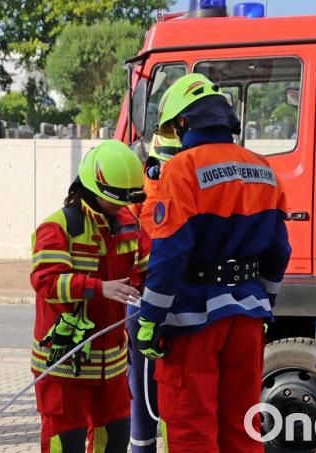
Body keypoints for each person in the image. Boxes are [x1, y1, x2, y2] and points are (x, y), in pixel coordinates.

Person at [134, 73, 291, 452]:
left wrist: (150, 319)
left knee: (192, 428)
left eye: (175, 127)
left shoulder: (182, 169)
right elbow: (279, 251)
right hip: (248, 319)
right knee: (242, 428)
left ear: (185, 122)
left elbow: (170, 254)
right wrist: (263, 303)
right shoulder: (264, 169)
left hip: (193, 320)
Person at [30, 140, 151, 453]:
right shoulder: (58, 227)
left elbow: (146, 271)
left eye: (126, 199)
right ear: (89, 186)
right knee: (64, 445)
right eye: (114, 199)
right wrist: (99, 288)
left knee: (114, 441)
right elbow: (46, 282)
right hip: (65, 364)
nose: (120, 207)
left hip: (111, 368)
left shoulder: (129, 224)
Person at [125, 132, 182, 453]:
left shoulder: (150, 196)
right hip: (146, 305)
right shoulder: (144, 199)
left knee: (152, 398)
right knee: (147, 399)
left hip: (157, 305)